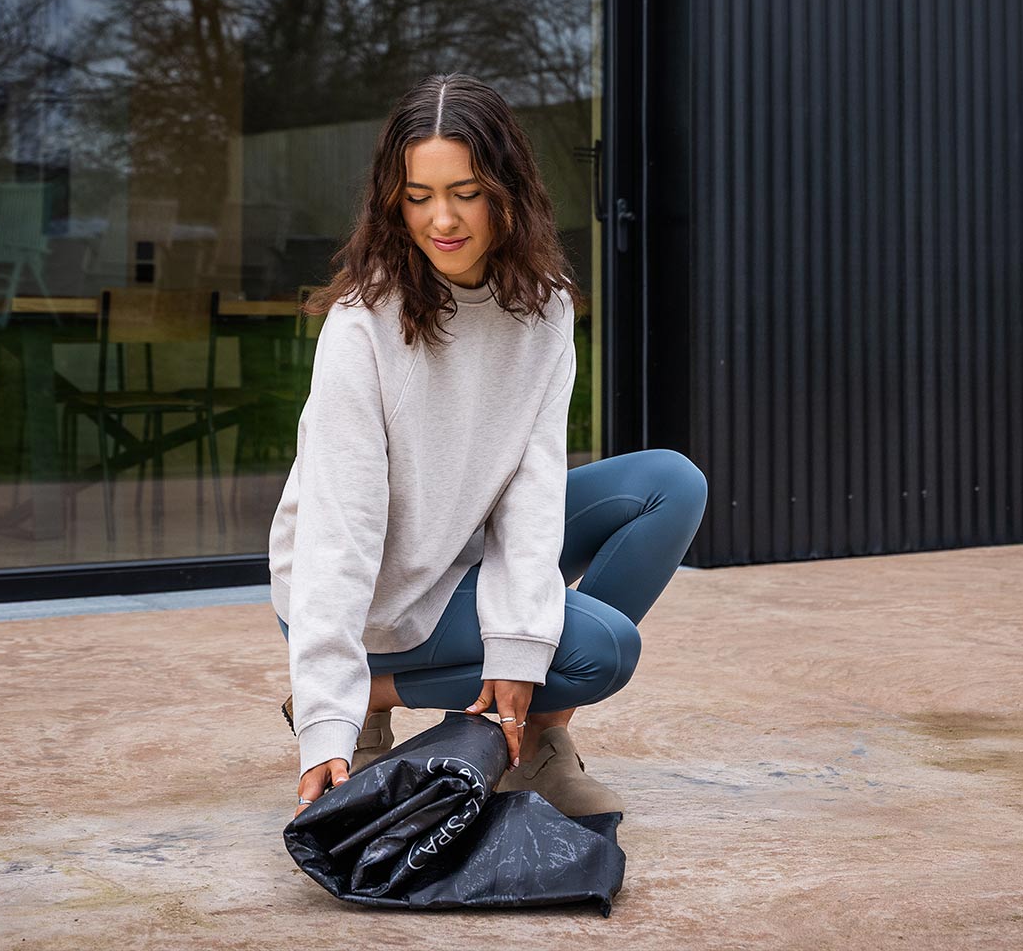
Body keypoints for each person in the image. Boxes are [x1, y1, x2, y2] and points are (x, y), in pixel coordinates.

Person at [269, 73, 708, 823]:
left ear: (507, 188)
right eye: (418, 195)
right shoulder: (362, 328)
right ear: (392, 200)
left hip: (464, 554)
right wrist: (323, 710)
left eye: (466, 191)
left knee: (671, 484)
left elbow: (532, 486)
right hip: (377, 591)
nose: (442, 217)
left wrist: (515, 644)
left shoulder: (543, 308)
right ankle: (368, 690)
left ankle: (533, 732)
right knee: (601, 652)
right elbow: (338, 534)